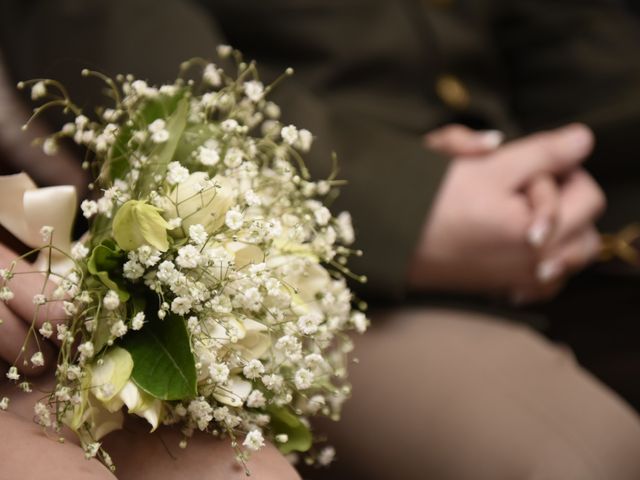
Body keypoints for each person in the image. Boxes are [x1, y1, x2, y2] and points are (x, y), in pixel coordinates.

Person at [2, 0, 640, 478]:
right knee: (585, 455)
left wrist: (549, 169)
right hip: (284, 234)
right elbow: (122, 38)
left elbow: (570, 43)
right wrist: (407, 205)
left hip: (527, 199)